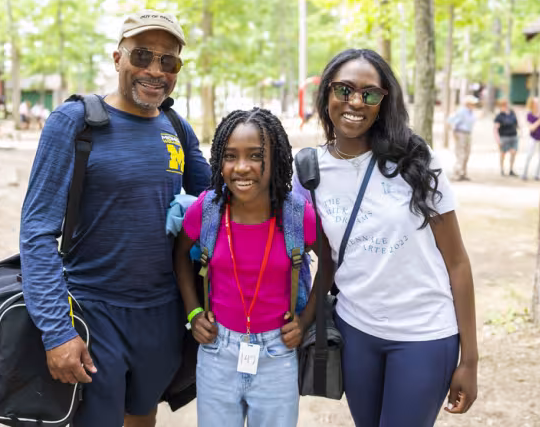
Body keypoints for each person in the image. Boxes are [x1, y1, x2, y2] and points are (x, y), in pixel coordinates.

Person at [19, 10, 211, 427]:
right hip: (92, 311)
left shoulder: (177, 127)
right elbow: (36, 232)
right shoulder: (74, 123)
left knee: (142, 415)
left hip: (162, 314)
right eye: (142, 55)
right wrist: (57, 330)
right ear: (117, 58)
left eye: (168, 61)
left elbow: (221, 200)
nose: (155, 70)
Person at [292, 49, 478, 427]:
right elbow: (322, 259)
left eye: (370, 94)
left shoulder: (416, 160)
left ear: (383, 102)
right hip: (356, 331)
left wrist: (470, 360)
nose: (356, 102)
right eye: (344, 89)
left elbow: (457, 261)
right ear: (326, 93)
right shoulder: (309, 170)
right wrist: (301, 319)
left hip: (424, 334)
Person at [172, 108, 318, 427]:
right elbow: (180, 255)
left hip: (278, 352)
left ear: (276, 158)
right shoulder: (208, 209)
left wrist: (306, 319)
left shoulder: (296, 215)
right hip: (217, 351)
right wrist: (194, 312)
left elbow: (330, 262)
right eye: (230, 156)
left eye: (255, 156)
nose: (241, 167)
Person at [447, 95, 478, 181]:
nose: (475, 105)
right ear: (468, 104)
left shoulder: (471, 112)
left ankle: (463, 173)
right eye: (473, 103)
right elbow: (451, 120)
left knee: (467, 154)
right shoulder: (461, 112)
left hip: (468, 134)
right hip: (460, 133)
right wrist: (454, 132)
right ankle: (456, 173)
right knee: (461, 154)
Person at [493, 98, 519, 176]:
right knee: (503, 154)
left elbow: (516, 124)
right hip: (504, 137)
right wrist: (498, 140)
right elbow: (495, 129)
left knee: (513, 153)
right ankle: (502, 169)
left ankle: (511, 169)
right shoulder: (499, 116)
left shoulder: (512, 113)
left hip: (513, 136)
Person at [522, 96, 540, 181]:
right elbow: (531, 128)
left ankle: (537, 174)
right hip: (533, 137)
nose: (537, 104)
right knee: (529, 155)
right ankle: (524, 173)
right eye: (535, 103)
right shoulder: (529, 115)